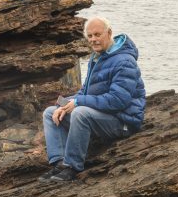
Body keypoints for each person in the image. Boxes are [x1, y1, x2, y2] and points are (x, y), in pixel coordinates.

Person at [40, 16, 146, 183]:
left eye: (97, 34)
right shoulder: (97, 57)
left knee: (80, 113)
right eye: (90, 36)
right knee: (50, 112)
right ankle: (59, 164)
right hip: (101, 116)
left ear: (109, 33)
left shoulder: (124, 61)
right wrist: (66, 102)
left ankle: (72, 167)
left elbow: (118, 101)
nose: (93, 40)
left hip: (123, 122)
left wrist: (78, 103)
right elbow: (86, 91)